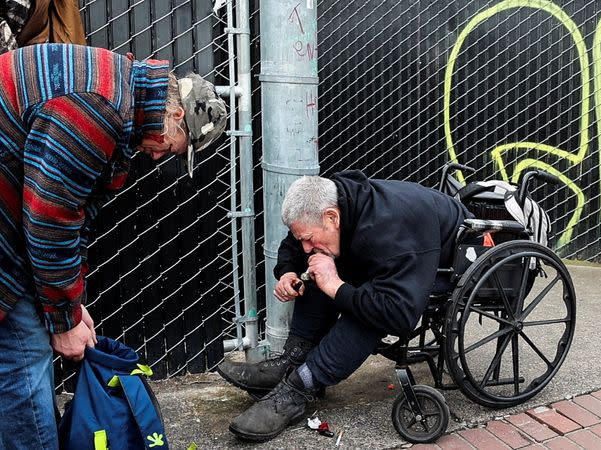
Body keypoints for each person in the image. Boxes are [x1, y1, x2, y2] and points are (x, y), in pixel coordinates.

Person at [0, 43, 226, 449]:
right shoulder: (98, 108)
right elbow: (50, 220)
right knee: (24, 351)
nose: (161, 158)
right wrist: (63, 321)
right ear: (175, 117)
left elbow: (76, 212)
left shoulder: (124, 102)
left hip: (12, 213)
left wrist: (71, 305)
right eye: (174, 149)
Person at [218, 170, 470, 441]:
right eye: (302, 238)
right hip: (390, 256)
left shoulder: (393, 231)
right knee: (317, 262)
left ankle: (297, 389)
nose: (304, 246)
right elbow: (296, 241)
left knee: (367, 310)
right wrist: (288, 271)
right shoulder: (329, 204)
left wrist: (336, 287)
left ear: (332, 217)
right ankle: (292, 361)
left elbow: (397, 315)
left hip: (446, 264)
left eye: (308, 237)